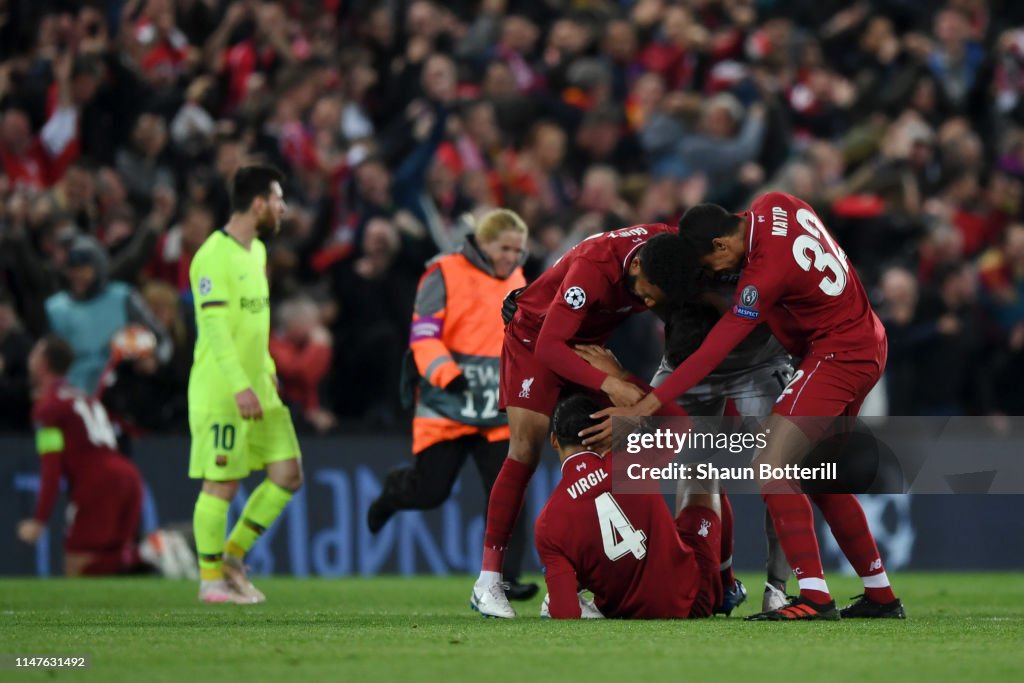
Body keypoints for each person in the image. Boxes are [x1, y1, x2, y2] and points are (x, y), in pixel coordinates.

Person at [584, 193, 906, 620]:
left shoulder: (762, 274)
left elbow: (713, 349)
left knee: (771, 465)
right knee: (816, 475)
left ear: (721, 245)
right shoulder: (781, 202)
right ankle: (881, 596)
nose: (718, 273)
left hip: (837, 354)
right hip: (865, 338)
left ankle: (814, 598)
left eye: (712, 265)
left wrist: (648, 404)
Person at [471, 222, 692, 618]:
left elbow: (720, 229)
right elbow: (550, 346)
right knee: (525, 448)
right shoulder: (596, 268)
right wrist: (613, 382)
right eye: (647, 294)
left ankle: (568, 589)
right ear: (637, 264)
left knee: (603, 434)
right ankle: (488, 581)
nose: (649, 304)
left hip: (586, 346)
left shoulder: (669, 246)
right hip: (536, 339)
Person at [367, 209, 537, 600]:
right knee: (431, 493)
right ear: (482, 241)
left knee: (508, 492)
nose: (512, 256)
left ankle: (505, 578)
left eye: (518, 249)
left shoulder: (517, 279)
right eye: (504, 247)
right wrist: (449, 375)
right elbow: (423, 335)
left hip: (494, 409)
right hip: (447, 403)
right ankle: (396, 491)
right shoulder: (442, 272)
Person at [187, 164, 303, 604]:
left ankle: (232, 556)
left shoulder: (256, 251)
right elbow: (214, 330)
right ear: (258, 204)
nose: (282, 209)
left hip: (260, 386)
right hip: (224, 391)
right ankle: (210, 582)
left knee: (287, 473)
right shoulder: (212, 257)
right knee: (221, 485)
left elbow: (252, 323)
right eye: (277, 200)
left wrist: (267, 365)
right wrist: (238, 385)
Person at [535, 394, 724, 619]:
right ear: (605, 429)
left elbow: (565, 612)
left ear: (554, 440)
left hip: (625, 612)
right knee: (700, 474)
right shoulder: (632, 459)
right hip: (694, 601)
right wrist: (635, 410)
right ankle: (727, 583)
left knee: (579, 559)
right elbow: (680, 421)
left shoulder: (547, 523)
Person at [17, 335, 144, 576]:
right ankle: (147, 554)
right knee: (113, 561)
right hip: (128, 475)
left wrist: (39, 520)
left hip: (98, 482)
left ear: (42, 363)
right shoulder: (82, 395)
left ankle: (154, 552)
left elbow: (51, 469)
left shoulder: (48, 408)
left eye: (34, 354)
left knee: (76, 564)